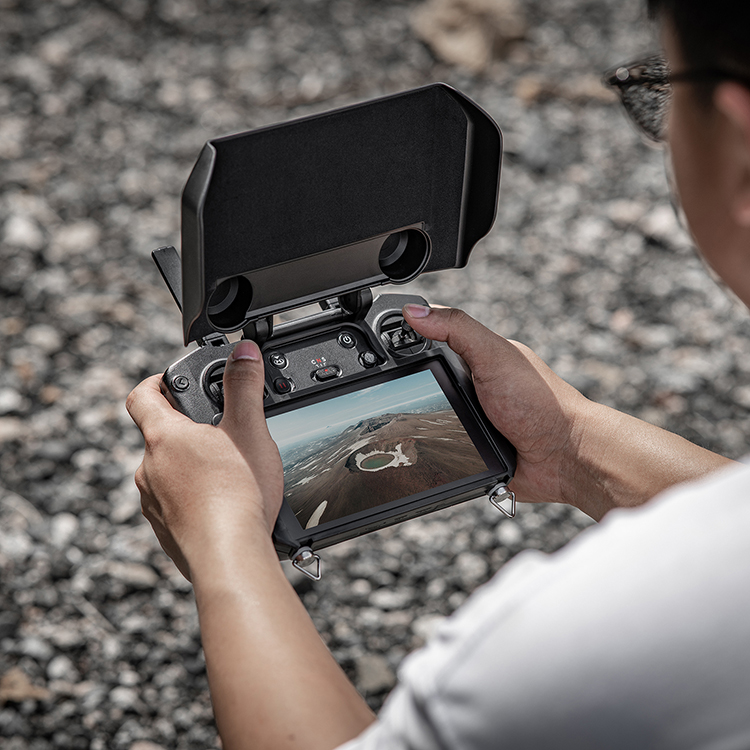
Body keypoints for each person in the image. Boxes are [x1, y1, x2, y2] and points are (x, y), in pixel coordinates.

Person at [126, 1, 750, 747]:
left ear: (740, 140)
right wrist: (570, 442)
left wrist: (225, 542)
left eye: (661, 87)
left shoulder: (558, 650)